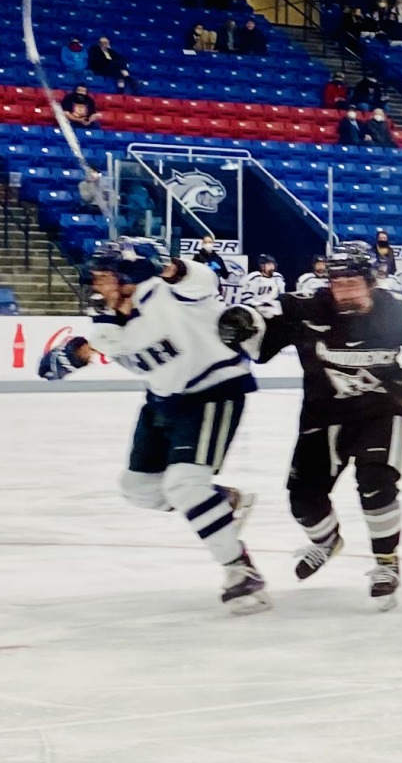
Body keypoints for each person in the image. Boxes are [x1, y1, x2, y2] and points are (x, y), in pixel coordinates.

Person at [39, 243, 268, 615]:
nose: (96, 284)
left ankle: (240, 572)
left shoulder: (174, 292)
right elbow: (54, 366)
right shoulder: (106, 323)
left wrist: (170, 268)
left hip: (214, 391)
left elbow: (201, 278)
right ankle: (222, 502)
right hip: (163, 400)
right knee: (138, 489)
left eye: (104, 275)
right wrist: (69, 357)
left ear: (130, 275)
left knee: (184, 484)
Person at [252, 246, 402, 612]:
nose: (345, 292)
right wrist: (241, 324)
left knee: (376, 484)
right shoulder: (308, 307)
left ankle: (387, 563)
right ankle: (326, 541)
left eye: (353, 283)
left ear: (372, 282)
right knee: (303, 498)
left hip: (382, 412)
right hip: (321, 416)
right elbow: (259, 332)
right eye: (337, 284)